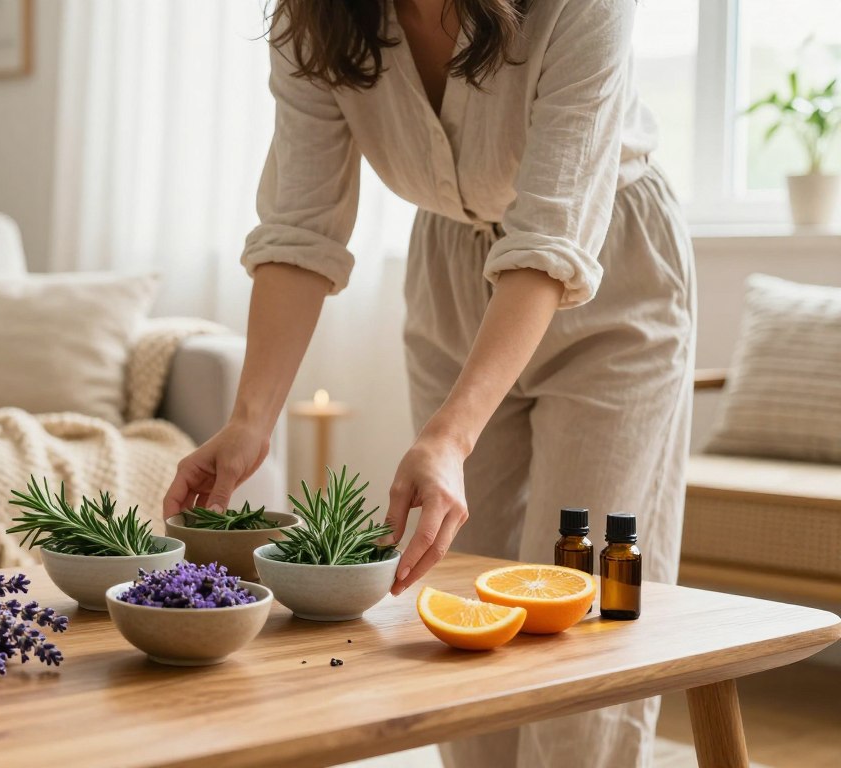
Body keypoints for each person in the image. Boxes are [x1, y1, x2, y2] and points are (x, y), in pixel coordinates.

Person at [161, 1, 695, 766]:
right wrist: (250, 419)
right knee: (462, 613)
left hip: (608, 266)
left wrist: (450, 435)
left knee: (581, 598)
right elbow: (300, 227)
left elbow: (550, 234)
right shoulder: (316, 18)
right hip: (453, 265)